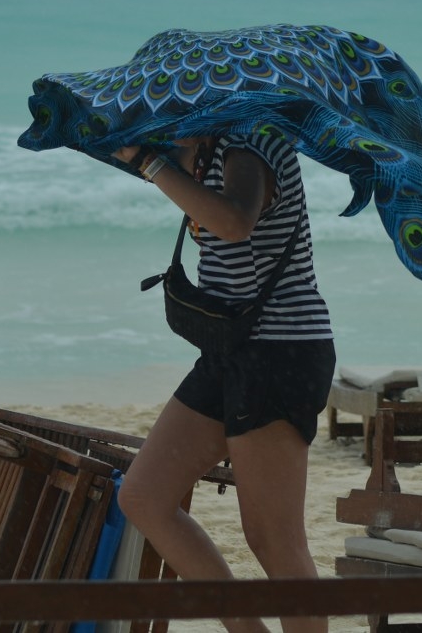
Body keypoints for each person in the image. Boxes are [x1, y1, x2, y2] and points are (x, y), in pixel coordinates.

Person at [112, 133, 335, 633]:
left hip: (281, 351)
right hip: (229, 350)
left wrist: (151, 163)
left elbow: (234, 221)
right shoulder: (202, 151)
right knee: (145, 496)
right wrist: (152, 156)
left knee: (274, 538)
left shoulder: (247, 143)